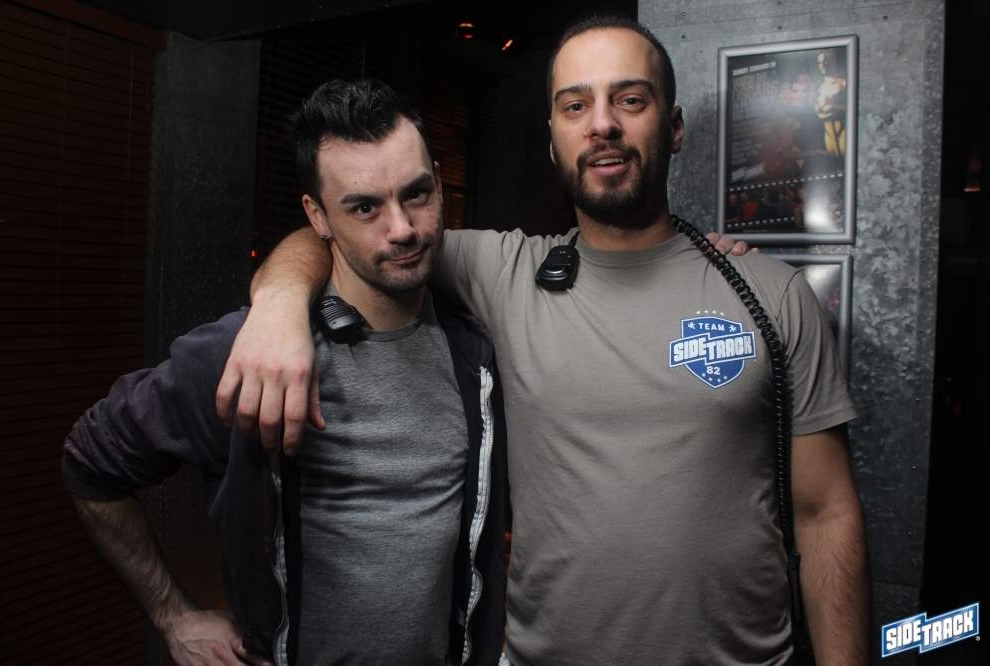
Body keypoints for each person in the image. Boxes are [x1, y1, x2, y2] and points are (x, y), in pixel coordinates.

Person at [218, 14, 868, 664]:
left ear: (673, 127)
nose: (602, 124)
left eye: (630, 99)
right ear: (554, 142)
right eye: (575, 105)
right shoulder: (504, 273)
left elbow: (827, 516)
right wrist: (279, 304)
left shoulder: (769, 294)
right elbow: (348, 231)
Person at [62, 79, 508, 666]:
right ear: (317, 217)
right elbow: (90, 464)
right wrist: (174, 617)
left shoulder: (474, 349)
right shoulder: (251, 353)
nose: (401, 228)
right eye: (365, 207)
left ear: (440, 185)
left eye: (417, 194)